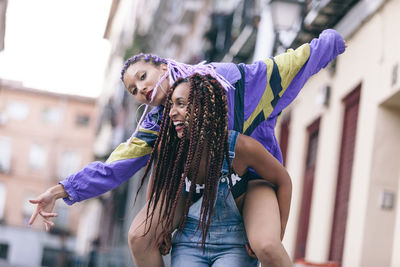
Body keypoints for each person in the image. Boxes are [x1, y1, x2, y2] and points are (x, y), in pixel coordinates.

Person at [28, 29, 345, 261]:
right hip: (193, 187)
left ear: (163, 67)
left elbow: (285, 66)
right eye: (133, 89)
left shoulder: (229, 82)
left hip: (251, 180)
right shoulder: (156, 124)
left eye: (142, 76)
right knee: (139, 235)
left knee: (266, 245)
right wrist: (60, 190)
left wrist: (331, 41)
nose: (141, 89)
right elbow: (114, 166)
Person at [130, 74, 291, 267]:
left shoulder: (240, 147)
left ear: (205, 108)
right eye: (171, 105)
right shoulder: (172, 148)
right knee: (138, 236)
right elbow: (158, 181)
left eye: (180, 104)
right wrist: (159, 228)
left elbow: (283, 180)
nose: (172, 112)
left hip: (234, 241)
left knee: (267, 246)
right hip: (190, 239)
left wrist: (277, 234)